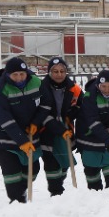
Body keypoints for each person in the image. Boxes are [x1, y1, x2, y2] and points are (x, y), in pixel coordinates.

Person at [0, 56, 45, 203]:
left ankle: (21, 191)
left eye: (22, 74)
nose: (19, 78)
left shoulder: (36, 83)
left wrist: (36, 123)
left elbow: (45, 105)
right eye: (15, 75)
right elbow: (4, 118)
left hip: (28, 131)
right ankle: (16, 202)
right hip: (3, 134)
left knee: (33, 167)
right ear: (8, 74)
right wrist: (22, 141)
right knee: (11, 171)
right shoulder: (0, 90)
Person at [34, 56, 82, 196]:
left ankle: (58, 184)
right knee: (51, 161)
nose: (59, 74)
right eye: (55, 71)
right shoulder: (41, 88)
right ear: (49, 72)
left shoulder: (74, 89)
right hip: (46, 130)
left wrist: (72, 113)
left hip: (66, 129)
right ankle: (56, 192)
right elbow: (38, 111)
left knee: (63, 163)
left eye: (62, 71)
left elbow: (82, 106)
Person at [76, 68, 109, 196]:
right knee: (91, 169)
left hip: (108, 135)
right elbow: (92, 121)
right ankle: (96, 195)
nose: (106, 89)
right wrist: (108, 139)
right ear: (98, 85)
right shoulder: (90, 96)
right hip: (88, 135)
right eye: (103, 86)